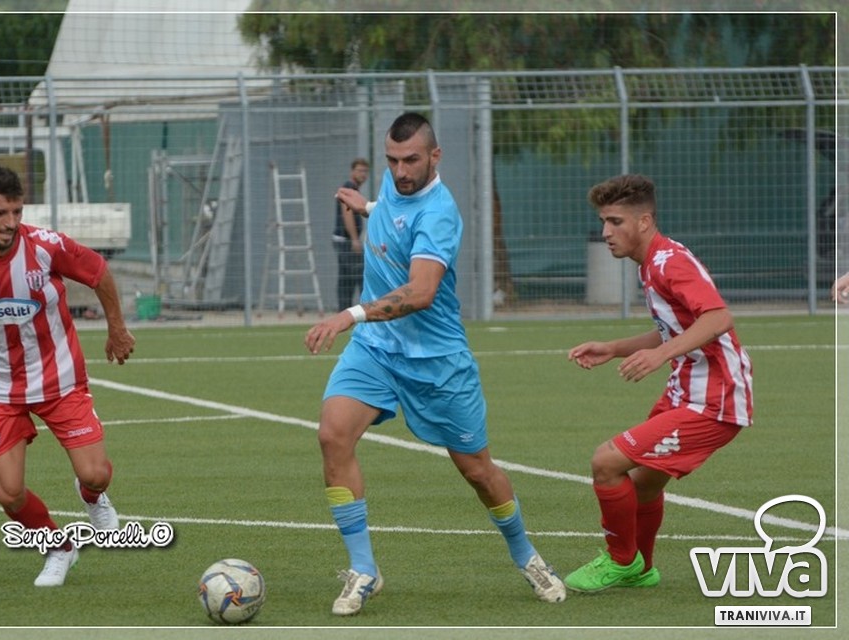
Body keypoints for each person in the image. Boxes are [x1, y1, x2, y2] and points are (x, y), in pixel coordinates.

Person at [305, 112, 566, 616]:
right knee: (333, 435)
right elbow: (397, 211)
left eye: (411, 161)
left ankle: (526, 555)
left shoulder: (441, 213)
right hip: (376, 349)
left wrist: (348, 315)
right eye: (392, 160)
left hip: (437, 360)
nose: (400, 171)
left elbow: (422, 292)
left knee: (477, 470)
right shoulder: (395, 185)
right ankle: (363, 568)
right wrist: (370, 207)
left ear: (435, 156)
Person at [0, 166, 136, 587]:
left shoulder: (45, 245)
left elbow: (98, 271)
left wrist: (117, 329)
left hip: (60, 379)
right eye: (0, 213)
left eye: (17, 212)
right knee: (9, 492)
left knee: (95, 474)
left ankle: (91, 496)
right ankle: (59, 548)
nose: (10, 223)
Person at [565, 174, 753, 592]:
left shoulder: (670, 262)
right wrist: (614, 347)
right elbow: (676, 328)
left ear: (644, 221)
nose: (605, 232)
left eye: (615, 222)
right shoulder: (652, 263)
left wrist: (661, 355)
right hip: (686, 391)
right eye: (603, 221)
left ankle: (621, 560)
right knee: (644, 484)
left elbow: (718, 317)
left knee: (606, 462)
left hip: (714, 400)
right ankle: (642, 568)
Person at [332, 158, 370, 311]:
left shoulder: (354, 189)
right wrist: (355, 240)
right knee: (359, 275)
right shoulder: (349, 187)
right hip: (346, 241)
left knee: (345, 278)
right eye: (360, 171)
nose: (363, 174)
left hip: (344, 240)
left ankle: (344, 311)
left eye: (365, 171)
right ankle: (365, 309)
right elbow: (347, 213)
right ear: (352, 172)